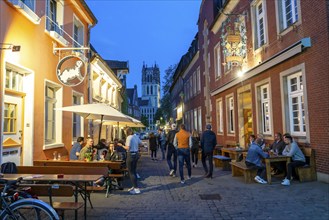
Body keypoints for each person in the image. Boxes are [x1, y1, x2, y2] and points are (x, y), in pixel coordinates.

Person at [118, 127, 143, 194]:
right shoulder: (136, 136)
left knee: (131, 172)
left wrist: (122, 145)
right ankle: (134, 185)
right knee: (134, 171)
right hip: (136, 154)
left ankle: (136, 189)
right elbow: (141, 144)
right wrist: (135, 146)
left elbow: (127, 148)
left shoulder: (129, 138)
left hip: (130, 155)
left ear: (127, 132)